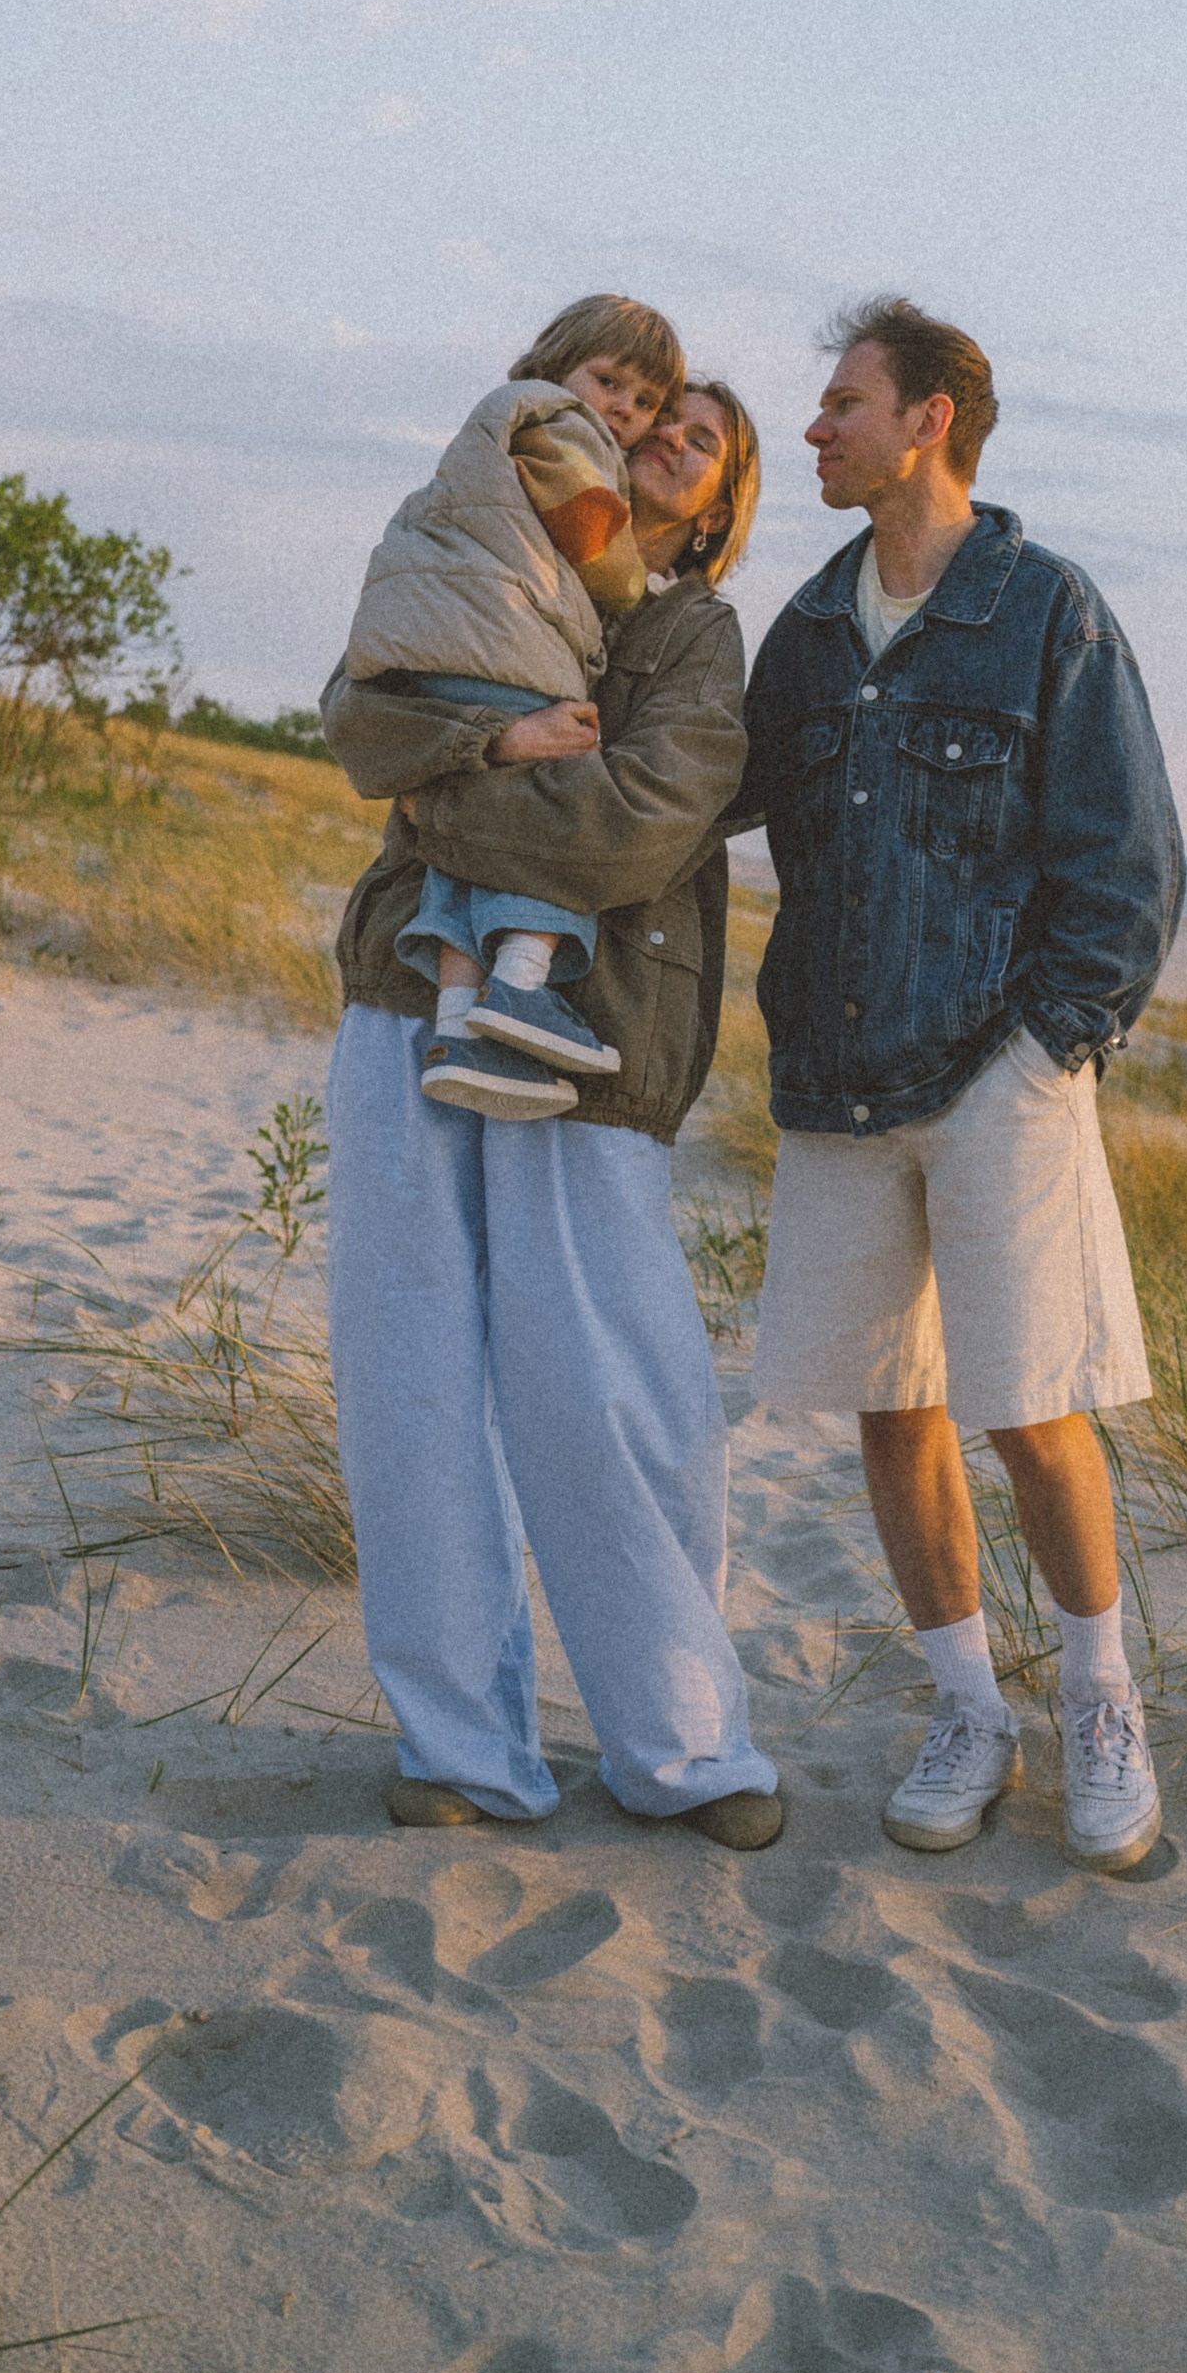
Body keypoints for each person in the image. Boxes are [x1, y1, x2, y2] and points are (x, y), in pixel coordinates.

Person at [740, 297, 1183, 1872]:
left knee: (1034, 1410)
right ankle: (968, 1711)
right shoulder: (805, 629)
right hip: (840, 1085)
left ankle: (1102, 1703)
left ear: (930, 419)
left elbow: (1129, 862)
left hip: (1000, 1079)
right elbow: (696, 796)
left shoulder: (1045, 607)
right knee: (894, 1407)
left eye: (843, 402)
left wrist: (1045, 1051)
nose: (814, 428)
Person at [320, 378, 785, 1849]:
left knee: (615, 1398)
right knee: (409, 1387)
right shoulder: (484, 565)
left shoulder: (692, 635)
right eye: (651, 421)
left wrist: (447, 789)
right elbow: (355, 721)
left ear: (719, 507)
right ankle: (460, 1751)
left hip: (598, 1042)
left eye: (701, 441)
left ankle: (683, 1747)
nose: (665, 441)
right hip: (407, 1003)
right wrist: (482, 751)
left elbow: (640, 821)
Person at [340, 293, 685, 1112]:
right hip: (502, 655)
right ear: (557, 365)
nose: (624, 411)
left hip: (440, 661)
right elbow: (593, 538)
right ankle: (522, 984)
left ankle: (458, 1022)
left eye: (645, 402)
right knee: (551, 810)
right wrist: (635, 586)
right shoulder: (558, 425)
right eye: (610, 381)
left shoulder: (483, 441)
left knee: (465, 857)